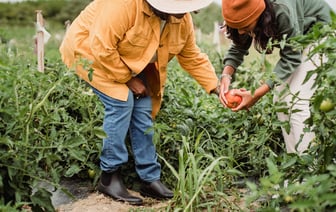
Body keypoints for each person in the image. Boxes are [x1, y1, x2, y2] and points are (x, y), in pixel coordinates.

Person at [59, 0, 219, 205]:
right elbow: (101, 47)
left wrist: (216, 87)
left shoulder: (181, 19)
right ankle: (109, 176)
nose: (182, 13)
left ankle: (149, 178)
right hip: (90, 54)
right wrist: (129, 80)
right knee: (121, 102)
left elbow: (191, 56)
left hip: (127, 60)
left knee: (144, 105)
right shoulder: (122, 5)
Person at [219, 0, 332, 154]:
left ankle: (308, 170)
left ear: (259, 16)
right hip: (298, 40)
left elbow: (291, 56)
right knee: (280, 100)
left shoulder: (281, 9)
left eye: (245, 27)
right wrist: (226, 76)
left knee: (296, 103)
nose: (240, 32)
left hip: (320, 34)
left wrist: (256, 94)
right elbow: (239, 46)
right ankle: (296, 167)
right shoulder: (246, 10)